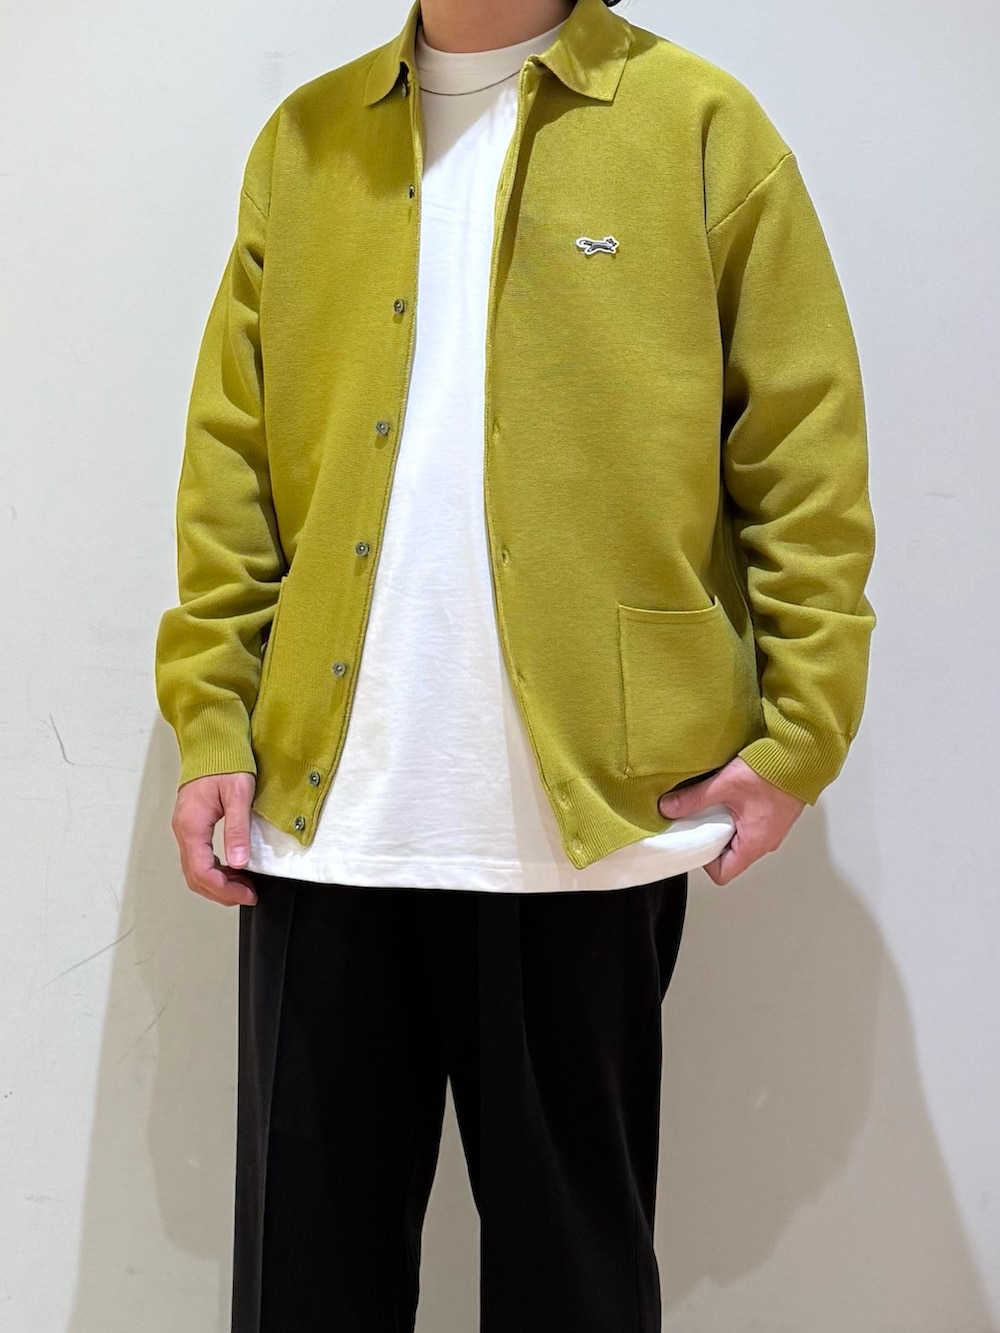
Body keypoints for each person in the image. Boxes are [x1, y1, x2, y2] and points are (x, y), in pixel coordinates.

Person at [153, 0, 876, 1327]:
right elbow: (232, 470)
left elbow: (805, 457)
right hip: (320, 826)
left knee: (576, 1289)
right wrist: (211, 719)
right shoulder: (305, 142)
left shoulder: (698, 126)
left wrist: (800, 735)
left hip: (589, 827)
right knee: (305, 1288)